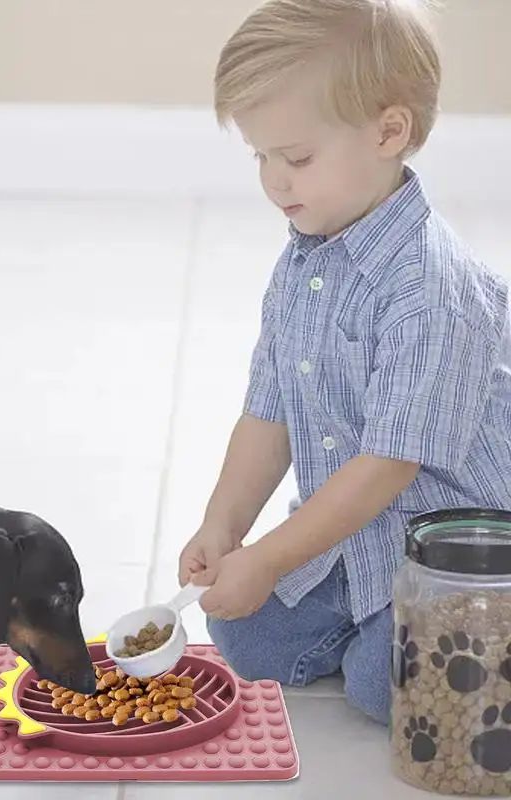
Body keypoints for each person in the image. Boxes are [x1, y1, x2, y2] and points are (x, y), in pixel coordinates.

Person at [178, 0, 511, 724]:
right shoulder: (306, 258)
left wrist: (268, 559)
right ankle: (370, 622)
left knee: (377, 684)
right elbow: (266, 414)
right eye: (259, 156)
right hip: (361, 534)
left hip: (458, 557)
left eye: (296, 158)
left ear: (390, 132)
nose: (274, 181)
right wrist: (225, 528)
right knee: (244, 630)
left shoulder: (431, 293)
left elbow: (385, 466)